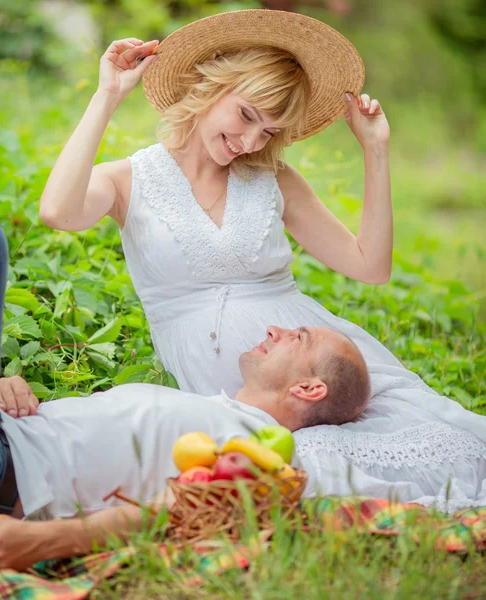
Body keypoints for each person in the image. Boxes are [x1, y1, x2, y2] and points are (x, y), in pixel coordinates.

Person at [37, 7, 486, 502]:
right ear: (211, 88)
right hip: (227, 377)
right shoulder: (128, 179)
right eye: (247, 115)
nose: (250, 141)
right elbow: (58, 211)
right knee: (289, 474)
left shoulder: (271, 179)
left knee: (442, 447)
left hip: (310, 361)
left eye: (270, 131)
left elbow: (370, 267)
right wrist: (107, 97)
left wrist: (374, 151)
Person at [0, 207, 484, 572]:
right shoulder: (212, 411)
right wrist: (5, 388)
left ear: (310, 387)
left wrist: (38, 543)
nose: (274, 329)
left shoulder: (260, 452)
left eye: (296, 336)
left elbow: (176, 507)